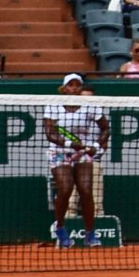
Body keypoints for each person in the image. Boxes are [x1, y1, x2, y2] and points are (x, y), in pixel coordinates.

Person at [43, 73, 109, 248]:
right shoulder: (53, 105)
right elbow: (50, 133)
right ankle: (60, 228)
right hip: (59, 151)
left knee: (86, 191)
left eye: (77, 85)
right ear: (64, 88)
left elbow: (105, 128)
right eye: (70, 85)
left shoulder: (90, 106)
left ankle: (90, 234)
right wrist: (70, 144)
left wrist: (96, 145)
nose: (74, 88)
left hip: (83, 152)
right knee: (65, 189)